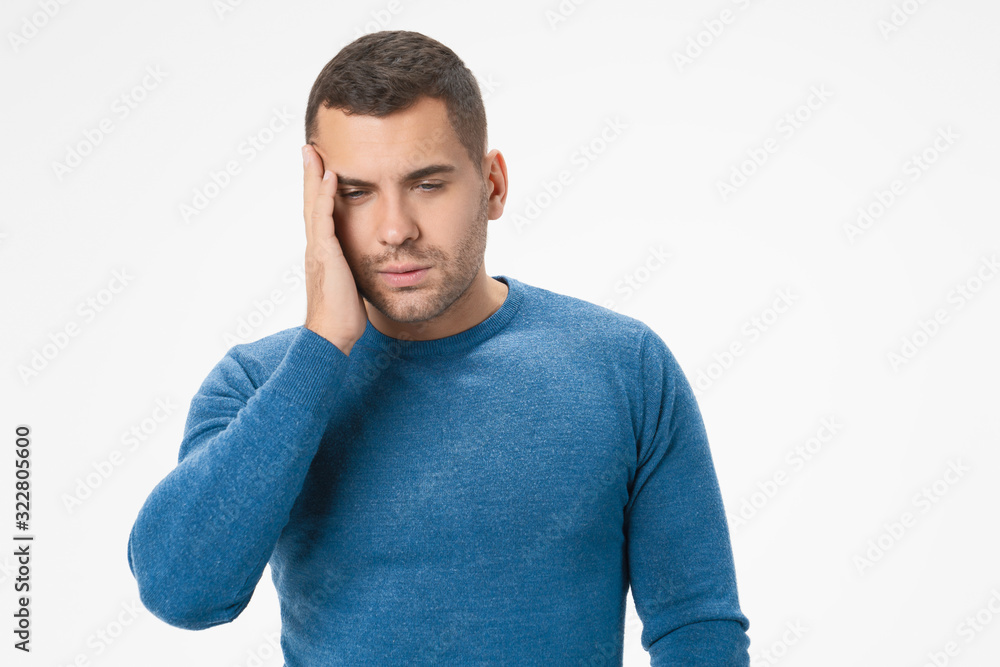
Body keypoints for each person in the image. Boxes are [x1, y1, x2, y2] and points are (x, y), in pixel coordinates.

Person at [126, 29, 751, 666]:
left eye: (427, 184)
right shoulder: (261, 385)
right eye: (356, 193)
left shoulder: (624, 367)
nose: (395, 229)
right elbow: (183, 594)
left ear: (494, 185)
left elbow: (696, 626)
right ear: (318, 207)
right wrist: (321, 349)